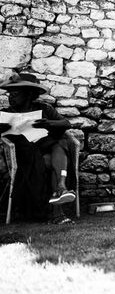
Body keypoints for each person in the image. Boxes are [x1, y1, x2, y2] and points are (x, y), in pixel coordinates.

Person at [0, 72, 76, 223]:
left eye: (15, 94)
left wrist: (48, 123)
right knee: (52, 156)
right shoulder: (6, 113)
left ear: (28, 94)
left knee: (59, 144)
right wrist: (11, 124)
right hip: (23, 154)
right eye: (9, 94)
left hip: (46, 147)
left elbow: (66, 124)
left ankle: (60, 188)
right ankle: (59, 207)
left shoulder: (44, 109)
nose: (10, 97)